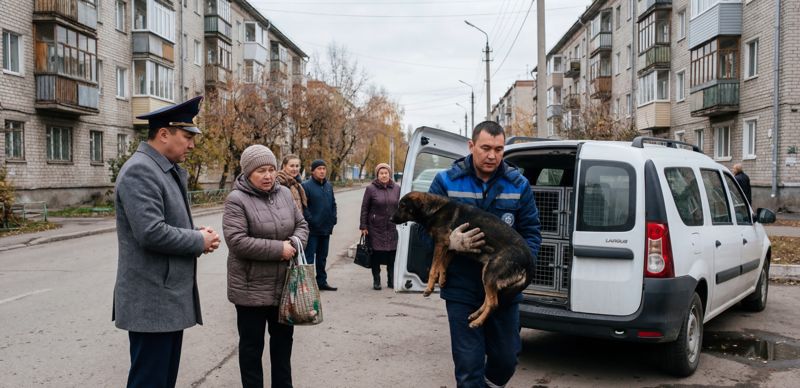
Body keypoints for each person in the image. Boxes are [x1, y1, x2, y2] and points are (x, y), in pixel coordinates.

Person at [113, 95, 221, 388]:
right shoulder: (141, 170)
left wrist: (197, 234)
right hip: (152, 302)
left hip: (165, 299)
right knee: (150, 381)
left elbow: (165, 223)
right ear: (163, 134)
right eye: (187, 137)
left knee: (162, 380)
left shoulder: (161, 168)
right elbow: (151, 232)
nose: (192, 145)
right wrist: (197, 240)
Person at [428, 121, 541, 388]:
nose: (492, 155)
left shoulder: (518, 185)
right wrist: (450, 242)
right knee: (468, 368)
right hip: (461, 287)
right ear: (471, 146)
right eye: (486, 148)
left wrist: (519, 267)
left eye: (499, 150)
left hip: (504, 291)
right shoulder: (446, 182)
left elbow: (531, 233)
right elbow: (423, 232)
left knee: (506, 361)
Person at [223, 144, 309, 388]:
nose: (268, 176)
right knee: (251, 349)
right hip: (250, 289)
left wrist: (294, 242)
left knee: (283, 345)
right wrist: (279, 249)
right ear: (248, 172)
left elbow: (302, 225)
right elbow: (237, 241)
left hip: (284, 286)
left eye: (271, 169)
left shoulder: (284, 194)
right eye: (261, 171)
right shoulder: (236, 200)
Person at [359, 163, 401, 290]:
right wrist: (363, 226)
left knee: (392, 254)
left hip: (392, 226)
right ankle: (376, 280)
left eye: (386, 173)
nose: (384, 175)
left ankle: (391, 280)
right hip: (375, 227)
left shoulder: (397, 188)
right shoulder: (371, 189)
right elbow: (365, 208)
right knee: (376, 254)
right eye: (381, 173)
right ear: (377, 175)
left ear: (389, 174)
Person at [302, 159, 338, 291]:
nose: (322, 171)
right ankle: (309, 284)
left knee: (322, 258)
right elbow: (304, 207)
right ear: (313, 171)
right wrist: (311, 220)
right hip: (312, 230)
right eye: (319, 169)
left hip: (326, 228)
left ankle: (322, 281)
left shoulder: (328, 186)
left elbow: (333, 203)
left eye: (324, 168)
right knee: (309, 258)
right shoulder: (306, 186)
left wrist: (333, 218)